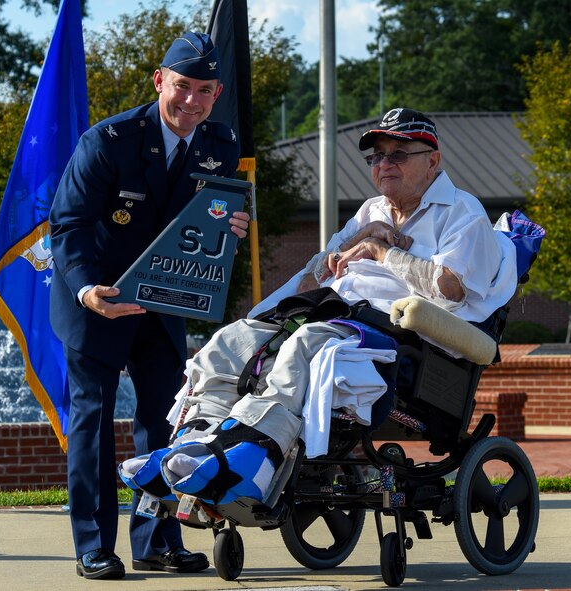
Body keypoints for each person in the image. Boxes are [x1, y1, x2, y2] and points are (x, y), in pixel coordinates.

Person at [121, 107, 520, 509]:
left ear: (432, 160)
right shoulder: (370, 211)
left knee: (307, 342)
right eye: (376, 157)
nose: (384, 165)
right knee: (231, 341)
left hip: (399, 330)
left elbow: (453, 288)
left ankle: (256, 455)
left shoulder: (462, 212)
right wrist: (359, 237)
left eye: (397, 154)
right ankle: (193, 448)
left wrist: (382, 254)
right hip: (335, 311)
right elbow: (314, 278)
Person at [49, 32, 250, 580]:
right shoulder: (108, 142)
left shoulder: (220, 143)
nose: (192, 101)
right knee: (92, 426)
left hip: (162, 305)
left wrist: (232, 227)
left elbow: (205, 224)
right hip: (97, 300)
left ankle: (158, 540)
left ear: (217, 92)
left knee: (165, 425)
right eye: (182, 86)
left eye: (205, 91)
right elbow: (66, 226)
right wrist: (88, 290)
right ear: (160, 81)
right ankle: (93, 545)